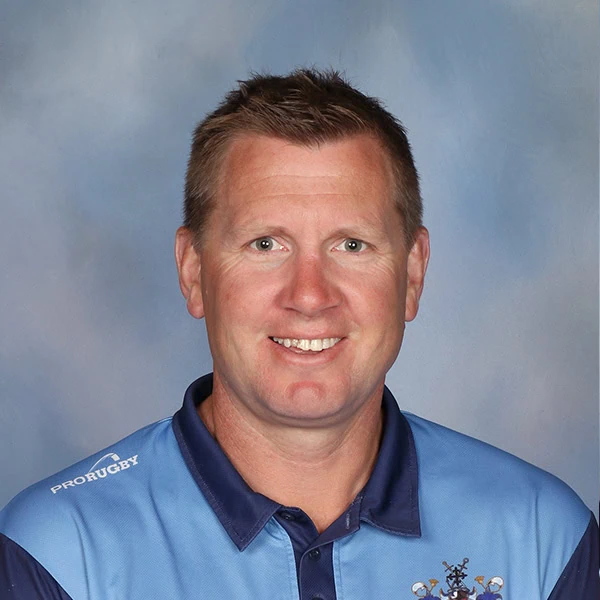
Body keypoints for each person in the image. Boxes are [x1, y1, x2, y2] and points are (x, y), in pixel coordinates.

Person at [0, 69, 597, 600]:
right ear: (194, 272)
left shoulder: (542, 540)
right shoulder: (58, 555)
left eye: (351, 245)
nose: (309, 295)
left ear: (412, 274)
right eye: (266, 244)